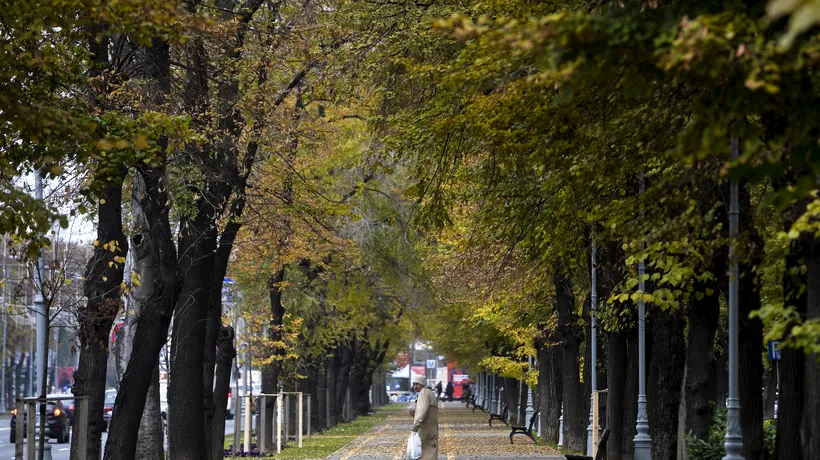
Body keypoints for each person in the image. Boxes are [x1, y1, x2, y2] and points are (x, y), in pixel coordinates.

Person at [409, 375, 438, 460]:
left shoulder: (424, 393)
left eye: (417, 384)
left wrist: (416, 425)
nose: (415, 386)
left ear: (422, 384)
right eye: (414, 384)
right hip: (432, 428)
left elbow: (422, 410)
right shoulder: (430, 393)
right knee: (431, 451)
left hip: (424, 428)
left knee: (423, 453)